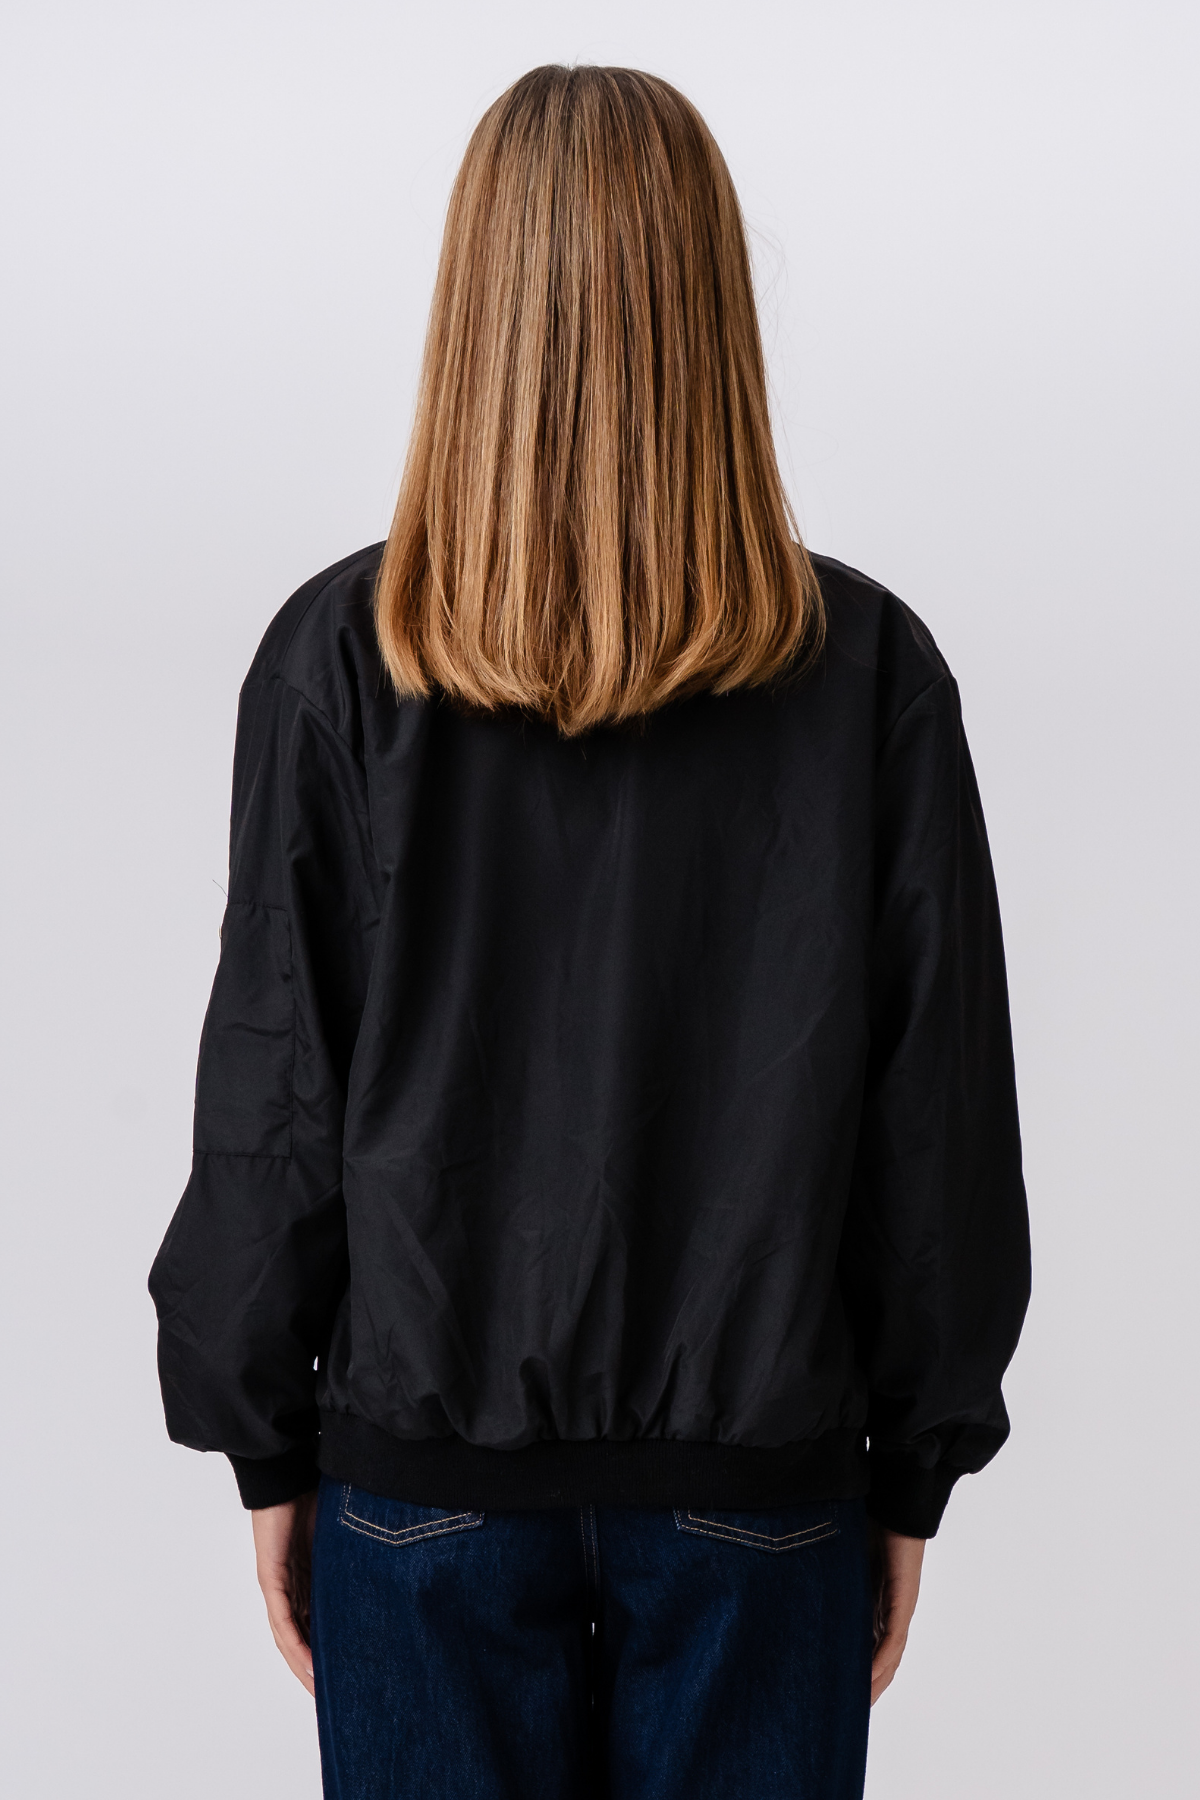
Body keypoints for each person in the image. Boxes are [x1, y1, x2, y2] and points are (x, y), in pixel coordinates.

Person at [149, 63, 1030, 1800]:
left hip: (424, 1494)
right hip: (763, 1491)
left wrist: (269, 1447)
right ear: (713, 309)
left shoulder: (340, 662)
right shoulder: (868, 674)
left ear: (473, 307)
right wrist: (910, 1471)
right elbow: (936, 1130)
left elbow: (274, 1096)